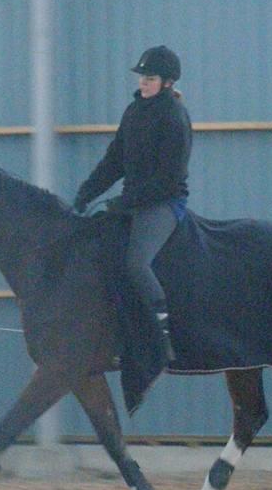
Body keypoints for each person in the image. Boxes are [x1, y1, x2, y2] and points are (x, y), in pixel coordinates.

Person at [73, 45, 192, 362]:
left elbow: (169, 178)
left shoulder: (174, 117)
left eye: (149, 78)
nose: (143, 83)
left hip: (164, 204)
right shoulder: (134, 112)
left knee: (136, 262)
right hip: (132, 201)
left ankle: (162, 336)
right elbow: (115, 161)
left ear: (166, 83)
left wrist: (125, 202)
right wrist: (87, 192)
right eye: (142, 77)